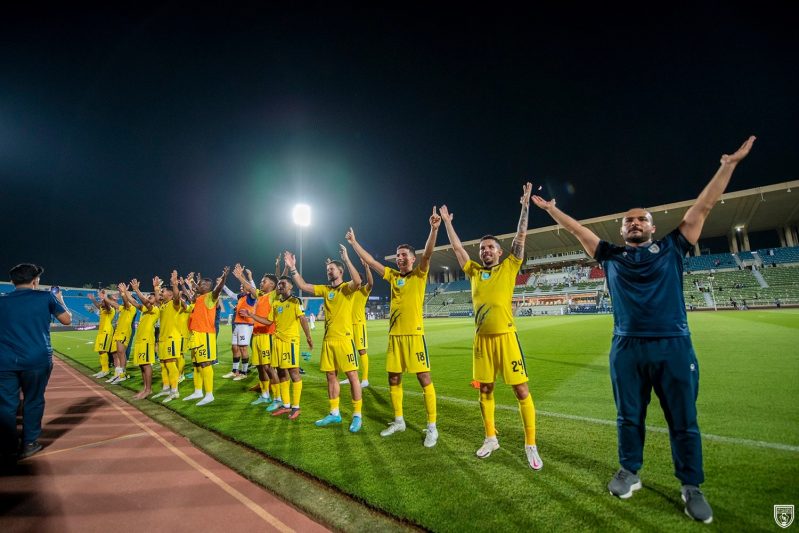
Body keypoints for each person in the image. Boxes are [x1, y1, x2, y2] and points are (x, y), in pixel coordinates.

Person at [532, 135, 756, 523]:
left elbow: (704, 205)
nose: (635, 223)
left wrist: (729, 165)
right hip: (627, 347)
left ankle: (691, 486)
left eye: (641, 219)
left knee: (683, 419)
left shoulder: (674, 246)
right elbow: (577, 230)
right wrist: (553, 210)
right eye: (628, 220)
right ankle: (629, 472)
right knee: (628, 416)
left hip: (673, 345)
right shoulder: (609, 254)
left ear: (653, 227)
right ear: (621, 231)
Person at [439, 182, 543, 471]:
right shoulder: (472, 271)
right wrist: (448, 223)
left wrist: (524, 206)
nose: (485, 251)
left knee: (521, 390)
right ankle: (490, 438)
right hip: (481, 341)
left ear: (499, 252)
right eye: (482, 248)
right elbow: (458, 248)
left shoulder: (510, 265)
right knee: (485, 390)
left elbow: (521, 235)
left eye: (490, 248)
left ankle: (530, 444)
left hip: (507, 338)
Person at [346, 207, 441, 447]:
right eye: (397, 255)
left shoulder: (420, 273)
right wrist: (355, 243)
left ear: (412, 258)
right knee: (394, 379)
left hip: (415, 336)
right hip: (395, 337)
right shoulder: (392, 276)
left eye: (403, 255)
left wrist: (433, 228)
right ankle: (399, 420)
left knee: (424, 378)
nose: (399, 258)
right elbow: (371, 261)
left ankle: (432, 427)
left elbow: (428, 253)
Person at [286, 246, 363, 432]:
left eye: (332, 270)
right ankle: (334, 413)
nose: (329, 272)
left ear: (340, 271)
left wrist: (346, 258)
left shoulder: (346, 289)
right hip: (328, 341)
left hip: (345, 340)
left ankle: (357, 415)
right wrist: (292, 268)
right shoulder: (325, 289)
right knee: (330, 376)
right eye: (327, 270)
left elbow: (358, 281)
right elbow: (303, 286)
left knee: (352, 376)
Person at [0, 263, 71, 461]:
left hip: (4, 361)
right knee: (33, 400)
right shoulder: (45, 297)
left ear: (13, 281)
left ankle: (8, 445)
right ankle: (29, 443)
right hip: (36, 358)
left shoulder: (2, 301)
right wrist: (60, 300)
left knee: (6, 404)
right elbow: (66, 320)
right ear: (35, 280)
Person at [243, 276, 313, 420]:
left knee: (293, 372)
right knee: (281, 373)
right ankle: (286, 405)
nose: (280, 286)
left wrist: (308, 337)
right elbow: (268, 321)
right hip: (277, 342)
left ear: (290, 287)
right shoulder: (275, 303)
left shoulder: (295, 301)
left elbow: (302, 319)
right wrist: (252, 315)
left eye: (283, 284)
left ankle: (296, 406)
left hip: (290, 342)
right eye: (279, 284)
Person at [231, 266, 278, 406]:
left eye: (264, 281)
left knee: (268, 367)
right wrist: (240, 277)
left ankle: (278, 398)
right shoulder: (261, 295)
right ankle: (265, 395)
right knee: (259, 367)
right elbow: (250, 288)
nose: (261, 283)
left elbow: (280, 278)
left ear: (272, 285)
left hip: (267, 336)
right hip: (256, 335)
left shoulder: (273, 295)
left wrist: (283, 266)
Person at [183, 267, 230, 406]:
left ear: (210, 288)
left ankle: (209, 394)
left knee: (205, 363)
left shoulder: (210, 297)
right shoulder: (198, 299)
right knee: (196, 364)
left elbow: (217, 290)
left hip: (205, 335)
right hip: (196, 334)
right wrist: (191, 282)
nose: (201, 285)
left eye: (204, 284)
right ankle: (198, 391)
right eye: (201, 283)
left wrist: (223, 279)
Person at [341, 257, 374, 389]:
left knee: (362, 351)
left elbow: (371, 283)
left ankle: (365, 379)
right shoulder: (348, 292)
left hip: (358, 324)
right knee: (349, 352)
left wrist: (367, 268)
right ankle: (351, 377)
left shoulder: (363, 291)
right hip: (347, 326)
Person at [151, 272, 183, 402]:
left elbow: (176, 296)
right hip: (163, 338)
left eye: (163, 291)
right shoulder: (163, 305)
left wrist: (175, 284)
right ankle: (165, 389)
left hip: (172, 338)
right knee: (163, 364)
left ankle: (174, 391)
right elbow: (158, 299)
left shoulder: (175, 304)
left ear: (170, 294)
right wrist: (156, 288)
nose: (161, 293)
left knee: (170, 364)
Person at [128, 278, 161, 400]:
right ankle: (145, 389)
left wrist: (137, 289)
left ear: (155, 301)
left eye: (150, 297)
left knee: (146, 365)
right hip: (140, 339)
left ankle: (149, 389)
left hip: (147, 340)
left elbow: (145, 302)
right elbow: (134, 302)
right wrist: (126, 293)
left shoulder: (155, 309)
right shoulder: (145, 310)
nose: (148, 299)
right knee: (142, 365)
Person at [222, 268, 257, 381]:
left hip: (245, 326)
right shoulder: (241, 297)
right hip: (237, 325)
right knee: (234, 347)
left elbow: (254, 289)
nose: (241, 288)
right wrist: (222, 285)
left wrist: (248, 277)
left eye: (243, 287)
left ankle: (244, 372)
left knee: (243, 349)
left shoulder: (251, 297)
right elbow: (231, 294)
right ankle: (234, 371)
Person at [107, 283, 137, 384]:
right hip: (118, 332)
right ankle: (117, 374)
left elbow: (126, 302)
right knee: (115, 353)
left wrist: (123, 293)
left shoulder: (131, 308)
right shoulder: (123, 308)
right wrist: (105, 298)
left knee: (121, 352)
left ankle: (123, 374)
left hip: (124, 332)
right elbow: (114, 304)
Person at [87, 289, 116, 379]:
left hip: (106, 331)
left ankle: (106, 370)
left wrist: (105, 297)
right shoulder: (103, 308)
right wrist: (92, 299)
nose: (101, 302)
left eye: (102, 301)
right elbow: (98, 305)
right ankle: (103, 369)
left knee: (103, 350)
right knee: (100, 350)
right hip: (101, 332)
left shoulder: (110, 309)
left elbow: (106, 305)